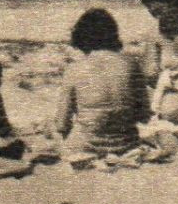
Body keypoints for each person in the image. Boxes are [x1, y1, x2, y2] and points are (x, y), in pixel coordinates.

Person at [52, 8, 149, 157]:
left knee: (50, 127)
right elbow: (143, 115)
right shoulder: (131, 64)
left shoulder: (74, 69)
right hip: (126, 145)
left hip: (86, 147)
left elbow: (61, 124)